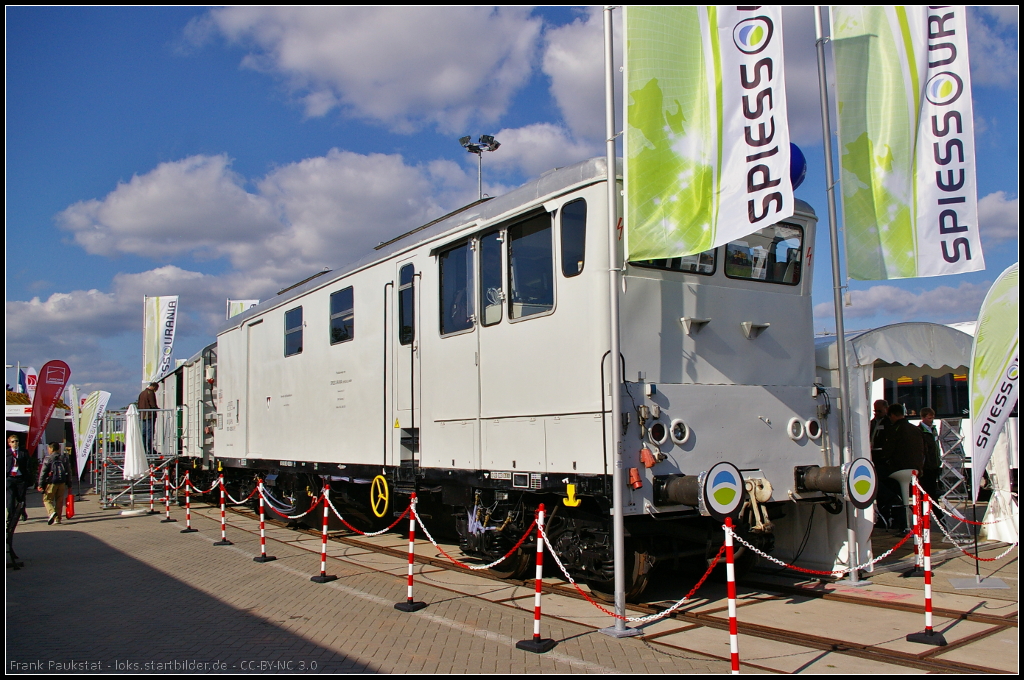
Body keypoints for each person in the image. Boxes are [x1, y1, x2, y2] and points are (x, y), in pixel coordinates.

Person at [36, 442, 72, 525]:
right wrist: (69, 483)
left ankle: (52, 512)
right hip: (62, 482)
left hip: (52, 482)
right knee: (59, 500)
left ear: (51, 449)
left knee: (47, 499)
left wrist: (40, 484)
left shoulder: (48, 458)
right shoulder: (64, 458)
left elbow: (43, 472)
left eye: (49, 448)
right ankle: (58, 519)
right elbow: (69, 471)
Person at [918, 407, 943, 503]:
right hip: (926, 466)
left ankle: (935, 513)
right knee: (929, 492)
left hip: (934, 464)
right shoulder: (920, 430)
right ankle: (936, 515)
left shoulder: (933, 429)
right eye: (929, 418)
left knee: (933, 490)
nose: (931, 421)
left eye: (932, 418)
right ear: (923, 418)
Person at [7, 434, 31, 523]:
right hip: (10, 478)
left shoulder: (23, 452)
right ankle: (10, 517)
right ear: (9, 443)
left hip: (20, 478)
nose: (15, 443)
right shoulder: (7, 453)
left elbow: (28, 466)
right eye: (13, 441)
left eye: (16, 441)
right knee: (10, 499)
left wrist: (28, 478)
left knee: (20, 498)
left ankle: (22, 511)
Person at [869, 399, 890, 475]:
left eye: (879, 411)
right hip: (873, 453)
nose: (877, 413)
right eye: (875, 411)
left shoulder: (889, 422)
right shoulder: (873, 422)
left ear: (886, 409)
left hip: (882, 454)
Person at [138, 382, 159, 455]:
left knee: (143, 433)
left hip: (142, 415)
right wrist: (156, 409)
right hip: (149, 415)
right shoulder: (150, 393)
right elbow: (152, 404)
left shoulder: (142, 393)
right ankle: (150, 449)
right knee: (149, 433)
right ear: (154, 387)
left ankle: (143, 449)